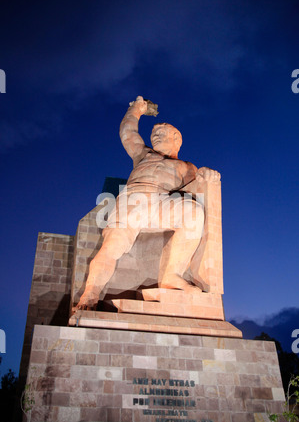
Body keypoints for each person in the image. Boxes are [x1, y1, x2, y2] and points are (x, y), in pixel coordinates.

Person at [74, 96, 220, 311]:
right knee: (111, 247)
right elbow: (128, 133)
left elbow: (198, 183)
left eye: (161, 134)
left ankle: (172, 276)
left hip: (161, 202)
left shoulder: (186, 166)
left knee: (192, 211)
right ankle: (90, 294)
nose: (155, 137)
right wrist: (136, 110)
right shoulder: (143, 154)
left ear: (176, 139)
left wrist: (206, 174)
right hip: (133, 200)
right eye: (154, 135)